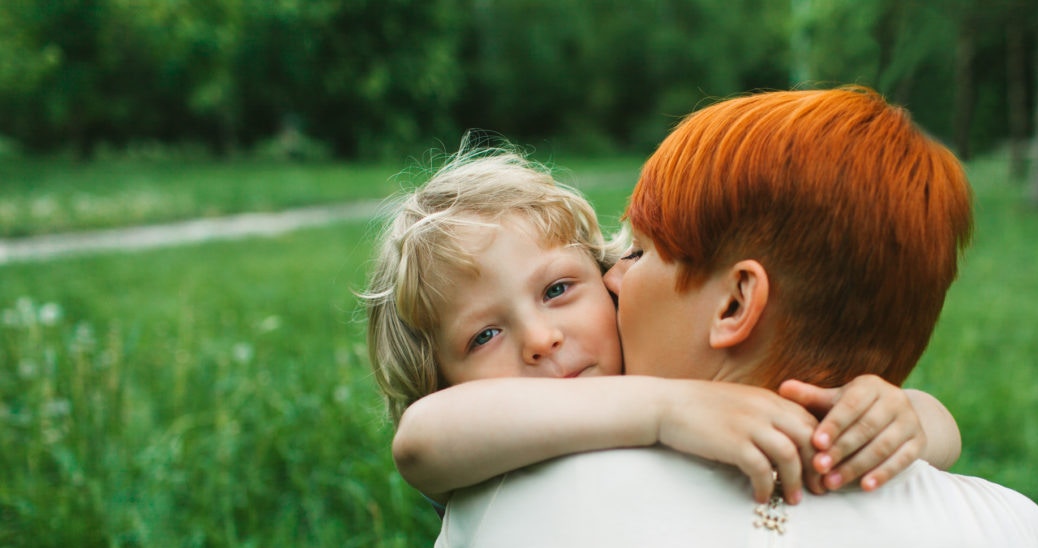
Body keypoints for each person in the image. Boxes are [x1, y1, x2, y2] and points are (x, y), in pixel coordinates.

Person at [435, 88, 1038, 548]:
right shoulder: (1027, 543)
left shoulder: (510, 492)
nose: (611, 278)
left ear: (736, 304)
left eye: (638, 252)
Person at [364, 147, 962, 513]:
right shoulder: (491, 452)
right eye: (483, 336)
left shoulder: (702, 381)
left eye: (556, 291)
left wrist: (902, 416)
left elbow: (943, 432)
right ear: (441, 380)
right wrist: (665, 411)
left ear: (606, 281)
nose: (540, 339)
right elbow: (419, 444)